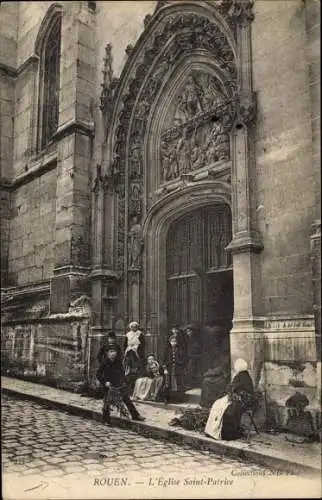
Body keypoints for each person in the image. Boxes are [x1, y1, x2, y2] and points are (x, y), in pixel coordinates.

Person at [204, 358, 255, 441]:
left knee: (227, 411)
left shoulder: (242, 377)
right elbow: (231, 387)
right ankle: (213, 430)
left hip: (244, 402)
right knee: (218, 404)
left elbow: (231, 387)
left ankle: (228, 434)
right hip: (238, 398)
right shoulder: (241, 375)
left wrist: (232, 391)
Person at [96, 345, 145, 425]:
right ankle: (106, 420)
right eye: (110, 352)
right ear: (107, 353)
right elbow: (98, 375)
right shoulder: (104, 363)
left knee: (127, 400)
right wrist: (105, 382)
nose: (113, 354)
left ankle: (135, 415)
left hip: (118, 385)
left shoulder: (118, 362)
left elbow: (122, 373)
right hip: (109, 386)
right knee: (107, 403)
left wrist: (123, 381)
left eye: (114, 352)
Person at [162, 330, 187, 403]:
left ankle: (177, 399)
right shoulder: (167, 350)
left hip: (177, 369)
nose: (173, 343)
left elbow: (183, 359)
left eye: (175, 341)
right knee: (167, 383)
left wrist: (181, 366)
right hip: (169, 369)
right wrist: (165, 369)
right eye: (172, 341)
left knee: (177, 384)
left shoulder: (180, 349)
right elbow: (164, 360)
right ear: (170, 342)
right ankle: (166, 399)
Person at [123, 321, 145, 393]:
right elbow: (125, 344)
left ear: (137, 327)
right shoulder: (128, 334)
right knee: (129, 372)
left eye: (135, 327)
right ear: (130, 327)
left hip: (137, 354)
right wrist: (128, 349)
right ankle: (129, 390)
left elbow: (143, 344)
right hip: (129, 354)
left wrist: (137, 347)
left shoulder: (140, 334)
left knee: (137, 372)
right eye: (132, 327)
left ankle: (137, 390)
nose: (134, 328)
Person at [184, 324, 203, 389]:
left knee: (192, 371)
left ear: (193, 331)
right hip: (190, 358)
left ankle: (192, 385)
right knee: (190, 371)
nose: (188, 333)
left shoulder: (197, 340)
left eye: (189, 331)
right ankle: (191, 385)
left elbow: (198, 349)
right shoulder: (188, 339)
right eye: (187, 332)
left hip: (196, 358)